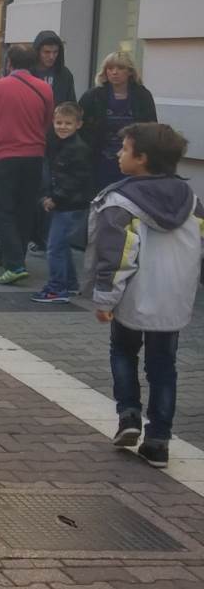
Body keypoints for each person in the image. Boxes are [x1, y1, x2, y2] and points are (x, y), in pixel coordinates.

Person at [91, 122, 202, 469]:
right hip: (174, 300)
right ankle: (158, 441)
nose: (118, 154)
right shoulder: (192, 201)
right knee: (163, 366)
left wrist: (104, 298)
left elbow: (116, 254)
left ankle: (129, 416)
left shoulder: (120, 201)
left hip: (132, 298)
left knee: (123, 352)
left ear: (142, 159)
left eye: (124, 149)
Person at [0, 44, 54, 284]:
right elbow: (47, 122)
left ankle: (15, 263)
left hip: (3, 157)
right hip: (34, 156)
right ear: (33, 64)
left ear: (9, 64)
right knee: (25, 209)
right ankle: (15, 257)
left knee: (1, 210)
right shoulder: (45, 89)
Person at [35, 102, 95, 304]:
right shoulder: (62, 145)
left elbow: (74, 180)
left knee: (55, 247)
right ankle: (69, 283)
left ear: (78, 125)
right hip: (68, 203)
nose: (62, 127)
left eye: (68, 123)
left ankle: (56, 288)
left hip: (70, 205)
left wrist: (55, 198)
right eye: (59, 122)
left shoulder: (77, 148)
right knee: (62, 245)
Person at [78, 51, 158, 191]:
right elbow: (80, 126)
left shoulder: (142, 95)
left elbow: (152, 128)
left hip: (133, 161)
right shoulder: (92, 96)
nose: (114, 72)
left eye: (120, 68)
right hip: (100, 160)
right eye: (110, 68)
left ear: (130, 72)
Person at [31, 30, 77, 105]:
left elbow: (71, 106)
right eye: (47, 52)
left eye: (55, 52)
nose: (51, 57)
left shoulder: (65, 75)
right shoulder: (27, 73)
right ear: (37, 52)